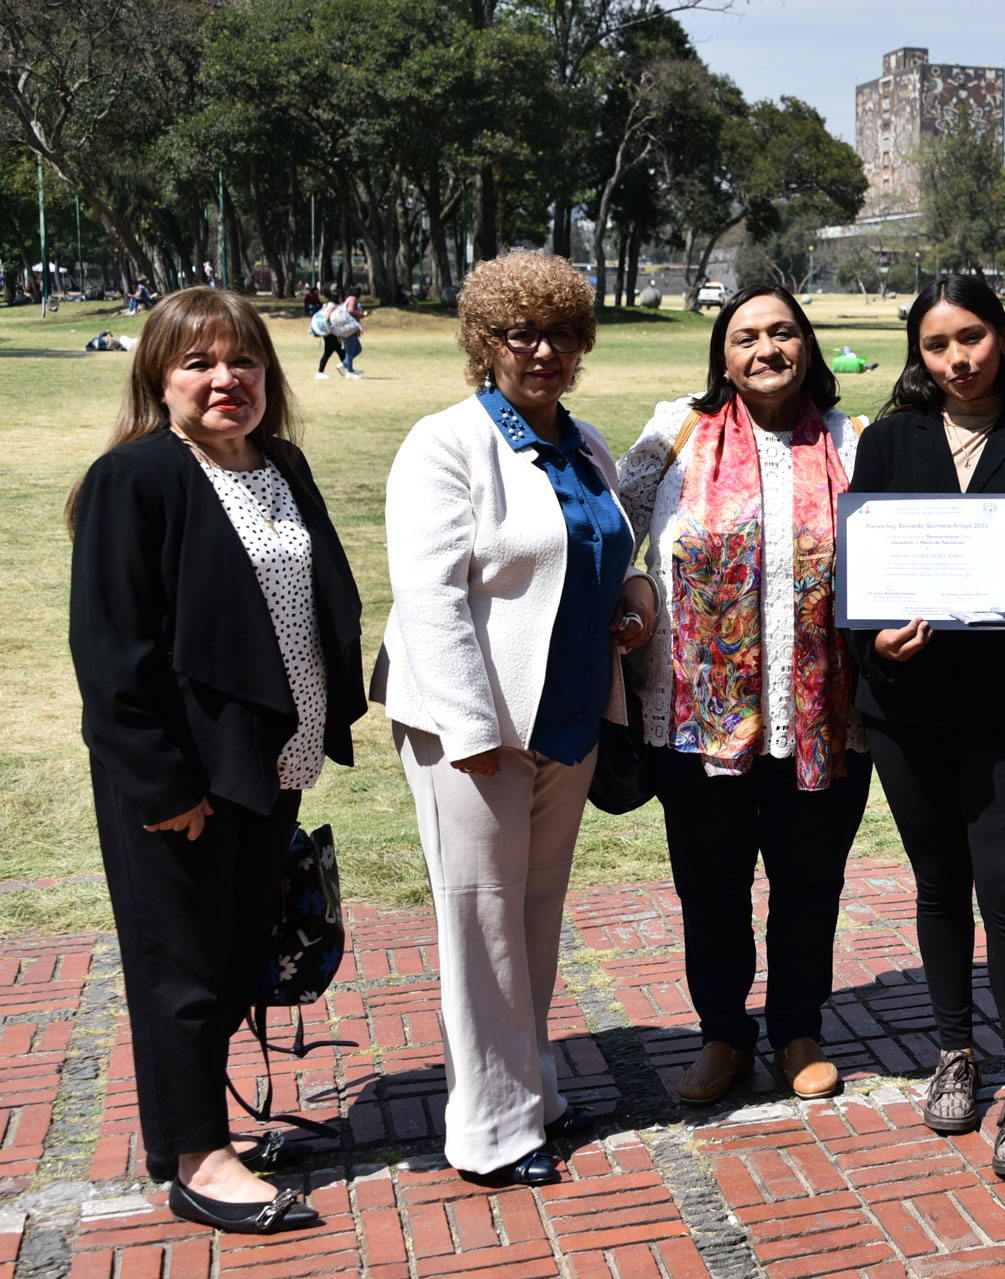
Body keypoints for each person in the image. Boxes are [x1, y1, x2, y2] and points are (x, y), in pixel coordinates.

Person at [68, 287, 365, 1234]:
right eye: (197, 362)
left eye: (240, 359)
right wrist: (164, 787)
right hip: (182, 778)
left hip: (266, 766)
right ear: (160, 377)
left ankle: (201, 1128)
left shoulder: (279, 464)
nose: (223, 378)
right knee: (182, 969)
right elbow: (112, 653)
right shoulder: (139, 478)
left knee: (239, 950)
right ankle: (197, 1158)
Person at [372, 250, 653, 1187]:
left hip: (566, 717)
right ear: (481, 343)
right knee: (481, 924)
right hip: (475, 735)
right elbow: (429, 596)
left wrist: (635, 596)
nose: (543, 350)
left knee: (533, 917)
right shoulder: (445, 442)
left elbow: (607, 547)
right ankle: (490, 1131)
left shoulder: (586, 443)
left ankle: (527, 1089)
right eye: (519, 333)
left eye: (563, 333)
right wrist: (470, 731)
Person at [846, 276, 1005, 1178]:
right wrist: (877, 639)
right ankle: (956, 1052)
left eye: (973, 338)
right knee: (939, 881)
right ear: (919, 352)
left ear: (1004, 337)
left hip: (1004, 710)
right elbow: (853, 572)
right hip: (904, 708)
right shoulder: (886, 441)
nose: (957, 359)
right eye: (938, 344)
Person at [615, 285, 872, 1108]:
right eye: (746, 336)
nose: (766, 348)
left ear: (809, 344)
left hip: (822, 718)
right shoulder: (675, 432)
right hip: (695, 718)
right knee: (710, 885)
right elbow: (607, 528)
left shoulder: (851, 440)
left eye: (783, 332)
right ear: (722, 354)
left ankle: (798, 1029)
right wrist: (632, 590)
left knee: (810, 882)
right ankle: (723, 1034)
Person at [331, 286, 365, 379]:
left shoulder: (347, 300)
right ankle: (349, 371)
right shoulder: (353, 299)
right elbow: (351, 310)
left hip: (350, 328)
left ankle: (347, 365)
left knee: (357, 349)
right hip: (350, 328)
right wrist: (360, 314)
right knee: (350, 350)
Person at [311, 293, 345, 380]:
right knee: (328, 353)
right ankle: (320, 372)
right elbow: (326, 318)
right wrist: (329, 330)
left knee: (340, 350)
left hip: (331, 334)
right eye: (340, 296)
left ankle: (347, 369)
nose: (341, 298)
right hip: (330, 334)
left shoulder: (328, 304)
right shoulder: (332, 306)